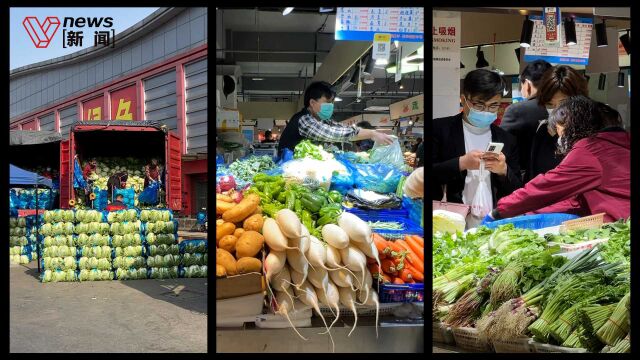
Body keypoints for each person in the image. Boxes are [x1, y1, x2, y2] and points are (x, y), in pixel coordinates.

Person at [484, 96, 630, 223]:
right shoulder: (618, 143)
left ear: (573, 126)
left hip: (622, 228)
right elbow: (574, 201)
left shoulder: (590, 150)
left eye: (561, 133)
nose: (560, 140)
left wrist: (500, 211)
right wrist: (526, 213)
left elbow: (546, 186)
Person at [432, 69, 522, 226]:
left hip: (492, 221)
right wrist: (461, 163)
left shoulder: (507, 139)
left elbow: (517, 189)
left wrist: (503, 171)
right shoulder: (440, 129)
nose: (486, 111)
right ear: (463, 99)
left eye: (493, 105)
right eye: (479, 104)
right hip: (450, 219)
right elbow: (426, 174)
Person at [277, 81, 393, 158]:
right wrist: (371, 133)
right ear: (312, 102)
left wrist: (372, 132)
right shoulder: (304, 120)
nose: (331, 105)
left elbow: (341, 128)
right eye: (328, 102)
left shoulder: (323, 120)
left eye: (332, 102)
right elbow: (332, 133)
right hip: (288, 170)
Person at [527, 65, 589, 181]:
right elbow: (533, 175)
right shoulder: (543, 131)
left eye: (563, 103)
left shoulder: (591, 134)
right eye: (550, 104)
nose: (556, 109)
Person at [500, 60, 553, 180]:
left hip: (526, 179)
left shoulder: (517, 110)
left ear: (527, 84)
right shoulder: (565, 108)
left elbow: (502, 146)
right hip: (559, 178)